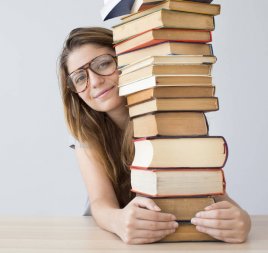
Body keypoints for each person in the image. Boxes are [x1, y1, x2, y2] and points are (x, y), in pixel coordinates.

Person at [57, 27, 251, 244]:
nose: (94, 82)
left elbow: (213, 193)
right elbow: (100, 202)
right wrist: (118, 221)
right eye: (80, 77)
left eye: (103, 64)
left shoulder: (172, 118)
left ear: (126, 60)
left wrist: (241, 220)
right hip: (107, 239)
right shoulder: (87, 133)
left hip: (171, 236)